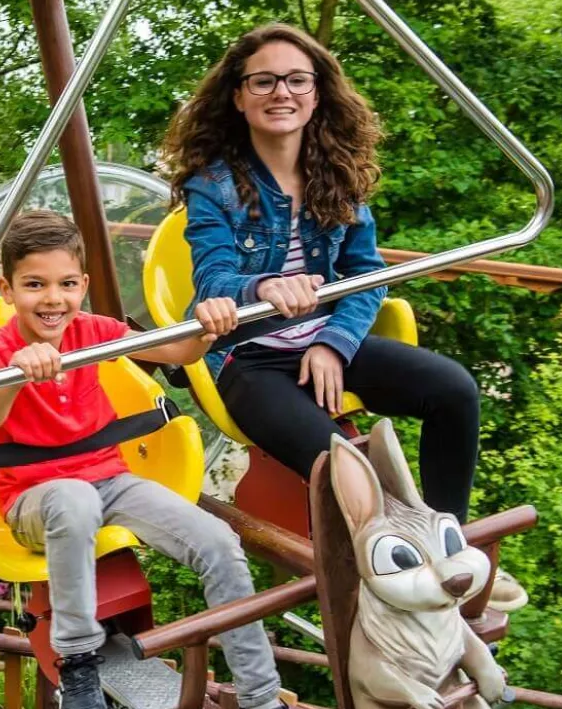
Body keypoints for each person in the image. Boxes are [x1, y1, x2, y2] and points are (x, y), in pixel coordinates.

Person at [159, 23, 525, 611]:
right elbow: (213, 278)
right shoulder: (216, 187)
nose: (282, 92)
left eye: (297, 80)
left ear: (317, 92)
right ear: (238, 95)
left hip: (321, 342)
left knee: (453, 390)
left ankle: (446, 542)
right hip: (252, 360)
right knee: (348, 468)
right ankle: (409, 568)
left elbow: (365, 275)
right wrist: (265, 286)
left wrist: (333, 342)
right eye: (264, 81)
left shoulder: (337, 176)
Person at [0, 210, 293, 709]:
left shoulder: (91, 330)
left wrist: (208, 327)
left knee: (218, 542)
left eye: (66, 284)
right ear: (7, 290)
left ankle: (259, 694)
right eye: (35, 285)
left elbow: (178, 351)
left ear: (83, 285)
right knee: (73, 501)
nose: (53, 299)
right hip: (33, 498)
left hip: (108, 481)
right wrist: (14, 375)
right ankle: (78, 669)